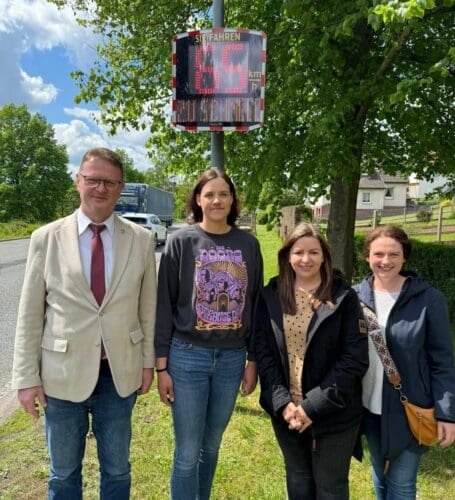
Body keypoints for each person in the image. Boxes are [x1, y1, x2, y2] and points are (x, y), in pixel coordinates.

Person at [12, 148, 157, 499]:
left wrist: (147, 363)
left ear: (121, 187)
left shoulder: (141, 240)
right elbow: (30, 313)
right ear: (78, 181)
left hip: (118, 375)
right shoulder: (45, 238)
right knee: (63, 475)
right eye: (92, 179)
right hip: (62, 376)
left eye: (109, 181)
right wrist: (26, 377)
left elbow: (147, 309)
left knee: (118, 470)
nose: (100, 188)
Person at [154, 168, 263, 500]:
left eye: (224, 194)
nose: (217, 200)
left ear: (232, 201)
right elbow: (164, 304)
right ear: (198, 200)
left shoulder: (248, 244)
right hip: (187, 357)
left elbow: (256, 303)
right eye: (210, 194)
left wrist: (253, 360)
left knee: (212, 444)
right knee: (187, 451)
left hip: (232, 359)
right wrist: (162, 367)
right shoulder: (181, 242)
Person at [255, 222, 368, 500]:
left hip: (334, 411)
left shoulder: (343, 298)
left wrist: (311, 407)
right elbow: (264, 353)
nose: (306, 259)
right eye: (298, 252)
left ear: (325, 256)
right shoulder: (271, 296)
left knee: (330, 486)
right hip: (287, 411)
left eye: (314, 252)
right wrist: (283, 404)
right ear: (287, 256)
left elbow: (353, 359)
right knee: (298, 479)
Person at [353, 226, 455, 499]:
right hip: (368, 406)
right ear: (367, 257)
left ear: (404, 258)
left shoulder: (428, 300)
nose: (385, 261)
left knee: (401, 482)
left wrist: (446, 413)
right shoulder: (354, 298)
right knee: (380, 473)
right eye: (378, 254)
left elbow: (442, 361)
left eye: (393, 254)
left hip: (411, 407)